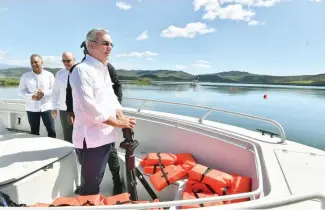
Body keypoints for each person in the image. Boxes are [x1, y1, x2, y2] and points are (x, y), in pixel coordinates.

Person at [69, 28, 136, 196]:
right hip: (91, 141)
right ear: (90, 45)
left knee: (97, 178)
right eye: (105, 43)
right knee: (91, 185)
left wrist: (122, 117)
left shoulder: (103, 69)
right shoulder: (81, 71)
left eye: (111, 44)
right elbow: (90, 108)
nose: (110, 48)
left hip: (106, 136)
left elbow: (111, 98)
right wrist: (117, 123)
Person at [18, 54, 56, 138]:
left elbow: (54, 90)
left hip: (47, 107)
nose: (33, 64)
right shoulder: (25, 76)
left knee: (51, 130)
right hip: (32, 108)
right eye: (31, 62)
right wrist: (31, 96)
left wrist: (44, 93)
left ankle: (53, 149)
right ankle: (35, 150)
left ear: (41, 62)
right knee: (34, 132)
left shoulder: (49, 75)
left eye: (35, 62)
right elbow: (20, 92)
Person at [51, 52, 75, 143]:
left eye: (68, 61)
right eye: (63, 61)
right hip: (64, 109)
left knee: (81, 135)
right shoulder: (59, 74)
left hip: (79, 109)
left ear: (74, 59)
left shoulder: (80, 72)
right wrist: (53, 107)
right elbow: (55, 92)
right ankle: (70, 154)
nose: (65, 63)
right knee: (67, 134)